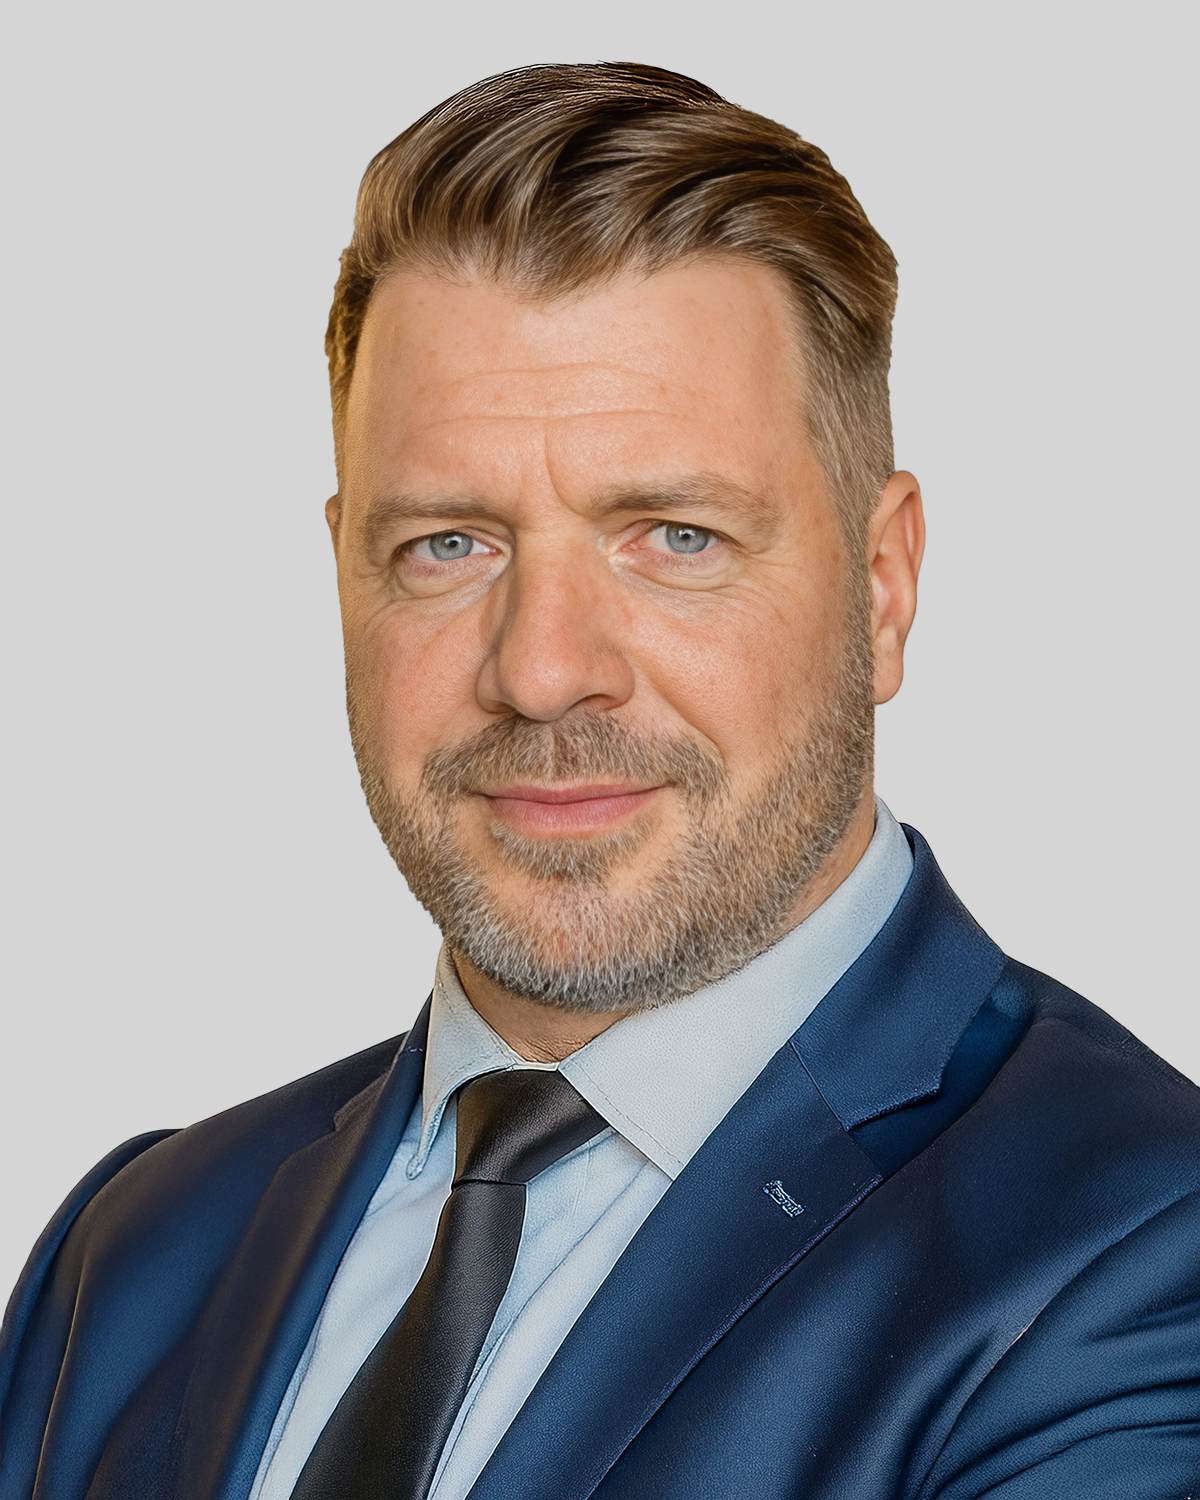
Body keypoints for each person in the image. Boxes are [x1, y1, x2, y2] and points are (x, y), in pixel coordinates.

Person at [2, 60, 1198, 1500]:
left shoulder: (1141, 1258)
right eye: (448, 545)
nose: (543, 668)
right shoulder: (130, 1255)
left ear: (882, 589)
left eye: (676, 536)